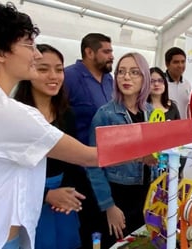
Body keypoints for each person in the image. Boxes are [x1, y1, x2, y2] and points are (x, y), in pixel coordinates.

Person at [0, 3, 99, 248]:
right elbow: (91, 157)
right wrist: (152, 140)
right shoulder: (5, 112)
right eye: (29, 45)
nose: (36, 54)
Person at [86, 52, 158, 248]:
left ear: (144, 78)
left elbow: (158, 156)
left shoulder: (151, 113)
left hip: (146, 193)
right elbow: (92, 164)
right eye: (121, 72)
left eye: (134, 72)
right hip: (117, 193)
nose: (126, 77)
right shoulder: (105, 115)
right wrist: (108, 206)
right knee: (117, 243)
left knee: (142, 243)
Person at [14, 44, 83, 249]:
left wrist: (67, 192)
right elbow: (10, 172)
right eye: (43, 69)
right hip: (27, 199)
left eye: (59, 69)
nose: (53, 76)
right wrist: (46, 195)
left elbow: (75, 159)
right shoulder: (15, 115)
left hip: (64, 200)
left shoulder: (66, 113)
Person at [63, 33, 114, 249]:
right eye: (107, 51)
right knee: (89, 226)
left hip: (108, 168)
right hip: (79, 171)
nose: (112, 56)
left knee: (106, 224)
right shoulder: (69, 77)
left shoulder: (111, 80)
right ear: (89, 52)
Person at [164, 47, 192, 119]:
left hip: (183, 127)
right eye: (176, 62)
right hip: (166, 127)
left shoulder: (187, 84)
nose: (180, 65)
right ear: (167, 64)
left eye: (183, 62)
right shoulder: (160, 84)